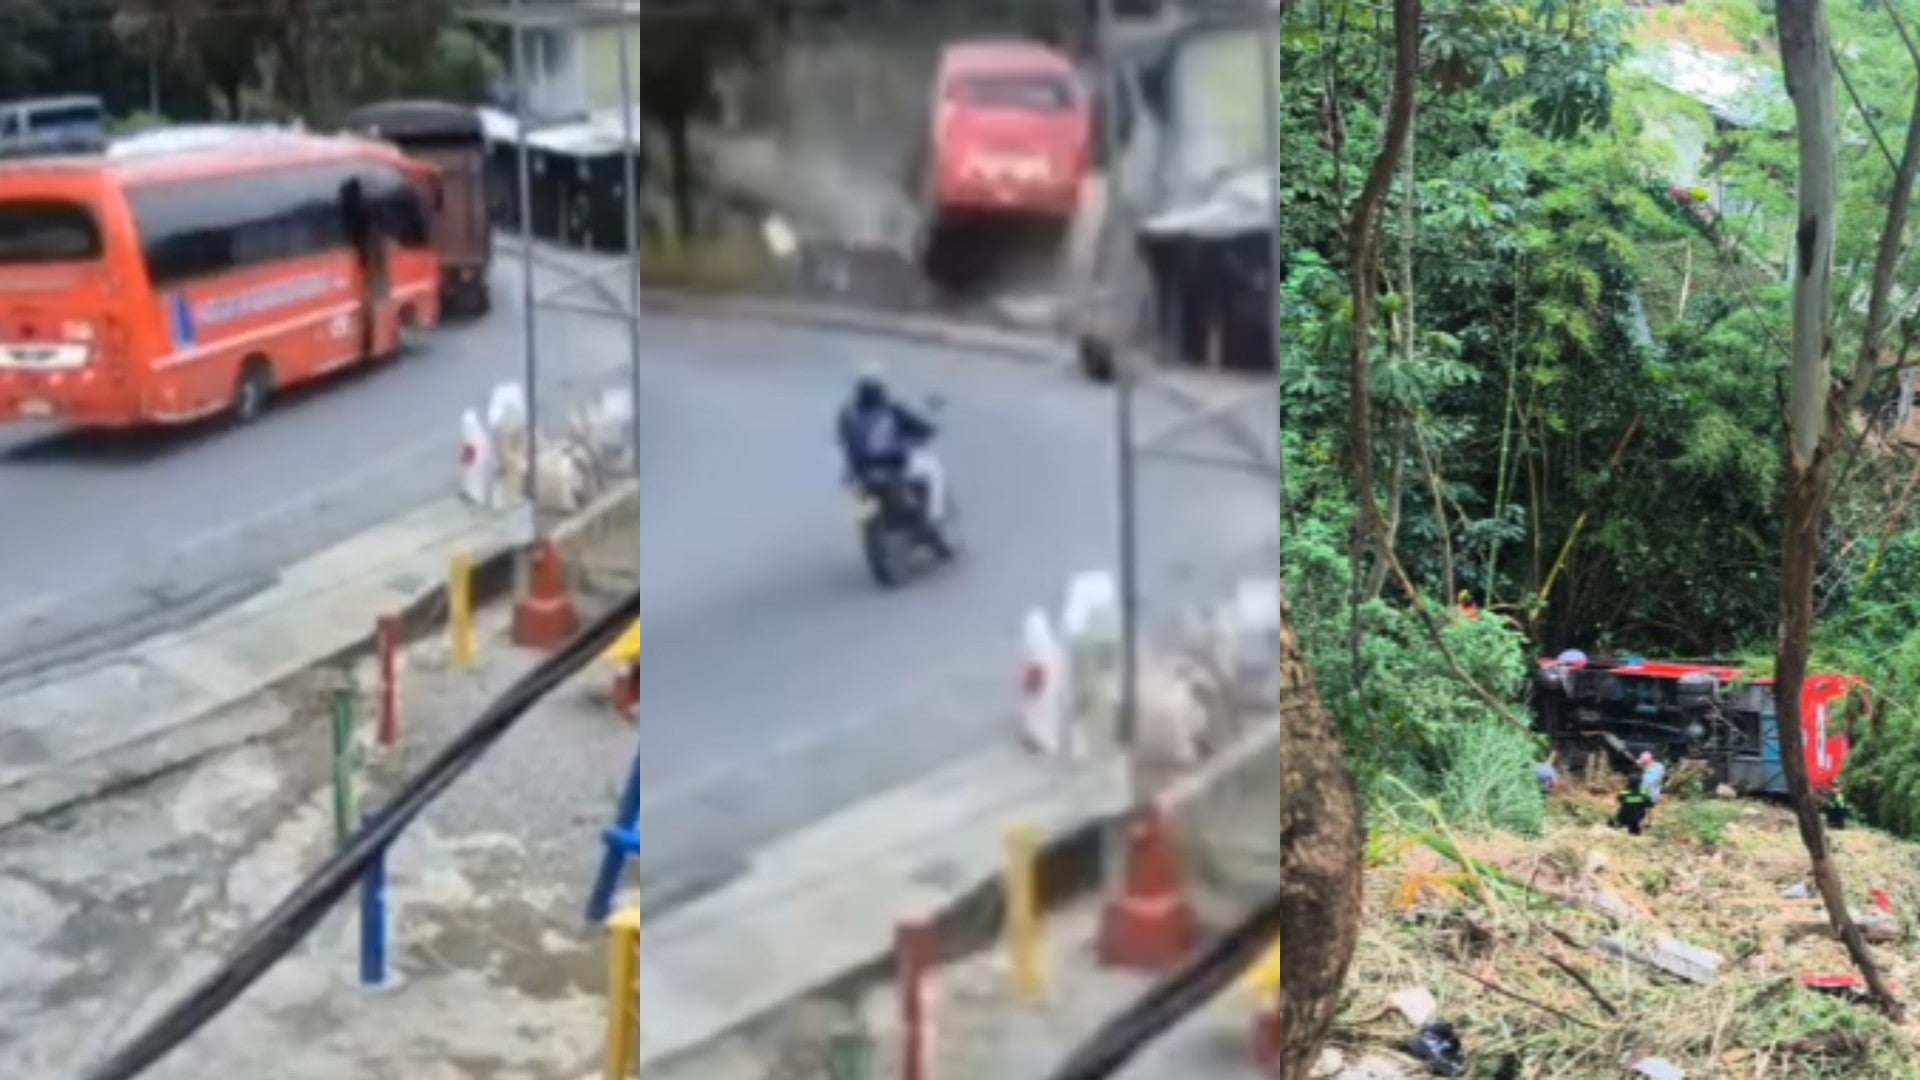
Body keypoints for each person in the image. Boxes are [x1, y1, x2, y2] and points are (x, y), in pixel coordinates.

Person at [837, 365, 948, 529]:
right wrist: (930, 430)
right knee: (933, 468)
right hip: (894, 466)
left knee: (854, 492)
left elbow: (844, 439)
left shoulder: (848, 413)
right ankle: (934, 516)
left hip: (861, 471)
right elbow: (920, 427)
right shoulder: (891, 409)